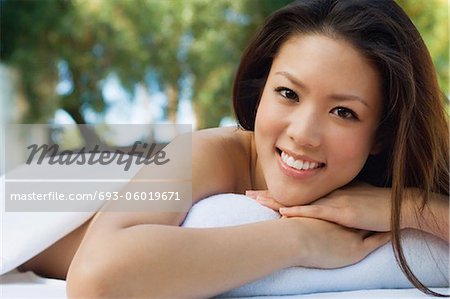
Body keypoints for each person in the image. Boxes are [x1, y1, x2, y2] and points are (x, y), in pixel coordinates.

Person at [19, 0, 449, 298]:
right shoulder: (209, 154)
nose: (303, 133)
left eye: (343, 112)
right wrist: (299, 240)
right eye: (288, 93)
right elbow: (97, 280)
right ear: (260, 90)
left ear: (383, 135)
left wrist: (411, 207)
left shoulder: (392, 185)